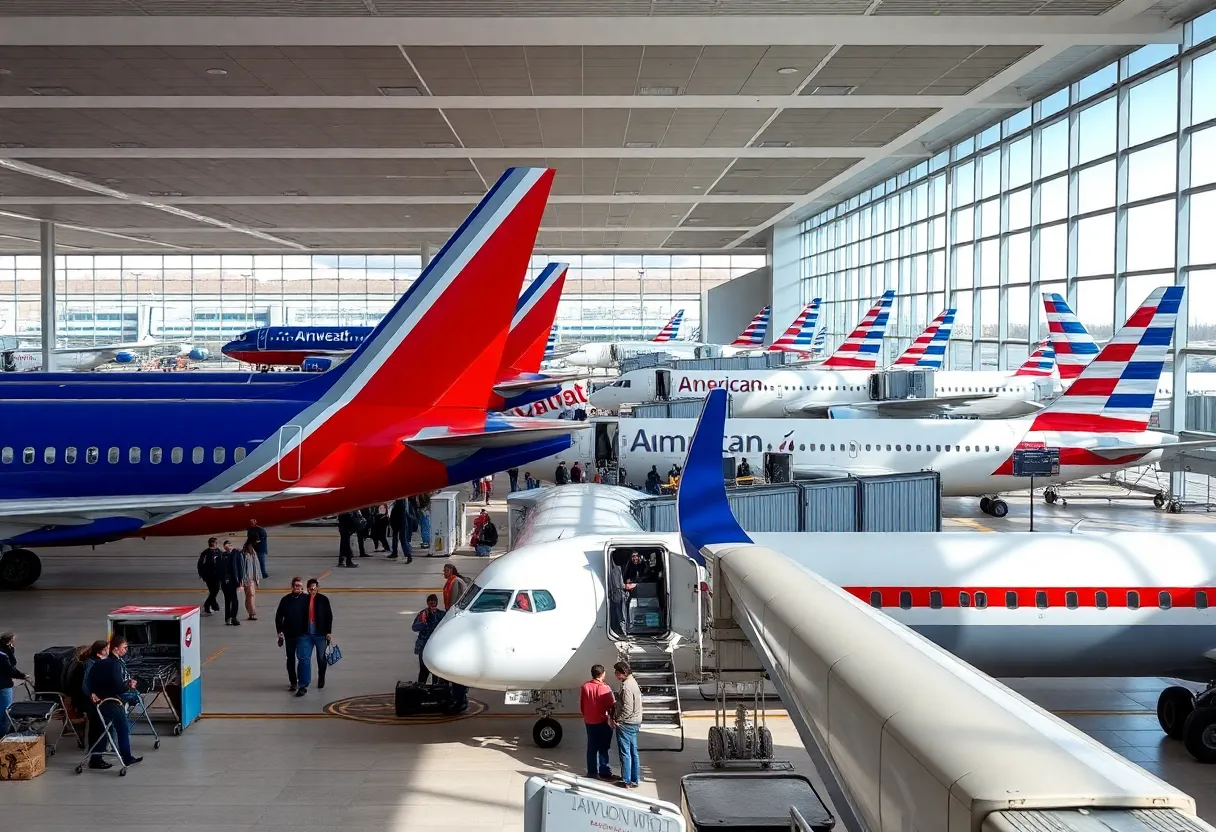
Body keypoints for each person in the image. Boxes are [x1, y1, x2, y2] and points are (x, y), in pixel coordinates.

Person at [84, 637, 142, 769]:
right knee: (122, 729)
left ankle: (95, 759)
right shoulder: (115, 664)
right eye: (124, 647)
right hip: (111, 702)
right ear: (116, 648)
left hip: (98, 703)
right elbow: (118, 687)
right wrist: (129, 685)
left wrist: (94, 694)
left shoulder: (99, 663)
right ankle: (126, 757)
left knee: (101, 730)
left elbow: (89, 681)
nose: (126, 650)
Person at [294, 578, 333, 697]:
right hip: (306, 633)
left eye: (314, 589)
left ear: (318, 588)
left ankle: (321, 676)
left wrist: (328, 632)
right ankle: (303, 685)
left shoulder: (323, 600)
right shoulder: (303, 600)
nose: (312, 591)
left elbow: (328, 616)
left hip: (320, 633)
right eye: (310, 589)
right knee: (304, 658)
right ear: (307, 589)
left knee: (321, 658)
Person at [76, 640, 109, 766]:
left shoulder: (94, 661)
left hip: (93, 700)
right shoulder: (92, 663)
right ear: (100, 650)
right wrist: (92, 694)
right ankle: (96, 759)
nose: (107, 650)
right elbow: (86, 683)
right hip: (92, 702)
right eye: (106, 648)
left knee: (96, 727)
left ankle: (96, 756)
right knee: (97, 727)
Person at [610, 661, 643, 789]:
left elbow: (628, 708)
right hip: (635, 721)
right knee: (633, 751)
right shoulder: (633, 682)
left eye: (616, 673)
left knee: (625, 752)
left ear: (622, 673)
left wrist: (618, 719)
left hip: (626, 723)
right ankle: (635, 779)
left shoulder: (626, 687)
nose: (615, 675)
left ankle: (626, 780)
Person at [580, 664, 616, 781]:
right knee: (603, 748)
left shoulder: (585, 686)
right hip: (602, 720)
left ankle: (591, 771)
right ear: (602, 674)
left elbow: (582, 703)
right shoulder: (605, 687)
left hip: (589, 721)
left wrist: (586, 715)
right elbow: (611, 704)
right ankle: (604, 771)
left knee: (591, 747)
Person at [275, 578, 309, 692]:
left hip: (302, 634)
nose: (297, 587)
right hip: (289, 634)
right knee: (290, 659)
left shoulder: (306, 599)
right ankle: (293, 682)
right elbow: (279, 616)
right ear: (292, 586)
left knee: (302, 658)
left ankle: (302, 680)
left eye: (299, 585)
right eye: (295, 585)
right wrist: (280, 631)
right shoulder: (285, 600)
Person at [0, 632, 30, 735]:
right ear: (10, 641)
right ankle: (3, 732)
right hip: (3, 685)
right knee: (5, 710)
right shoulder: (3, 655)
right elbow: (10, 668)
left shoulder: (3, 650)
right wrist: (23, 676)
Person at [412, 594, 445, 685]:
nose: (432, 606)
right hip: (424, 646)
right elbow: (415, 627)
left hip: (436, 647)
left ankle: (436, 688)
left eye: (434, 603)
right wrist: (425, 622)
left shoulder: (441, 614)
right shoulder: (423, 614)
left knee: (436, 671)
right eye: (431, 603)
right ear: (427, 603)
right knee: (424, 670)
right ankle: (421, 687)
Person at [219, 540, 245, 626]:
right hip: (226, 581)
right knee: (228, 600)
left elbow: (240, 567)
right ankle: (229, 618)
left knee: (233, 599)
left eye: (230, 544)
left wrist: (240, 579)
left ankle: (232, 617)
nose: (229, 546)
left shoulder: (235, 554)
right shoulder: (222, 556)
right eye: (227, 544)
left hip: (233, 580)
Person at [196, 537, 222, 617]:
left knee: (215, 590)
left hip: (217, 575)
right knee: (213, 590)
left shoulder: (219, 552)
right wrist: (201, 574)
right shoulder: (205, 553)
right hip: (208, 575)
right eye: (214, 543)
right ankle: (208, 605)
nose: (215, 544)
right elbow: (200, 564)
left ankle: (213, 604)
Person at [608, 558, 630, 637]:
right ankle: (622, 631)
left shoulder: (616, 569)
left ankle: (623, 631)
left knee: (620, 614)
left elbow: (620, 583)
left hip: (617, 594)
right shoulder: (616, 569)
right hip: (616, 594)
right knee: (619, 614)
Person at [240, 541, 260, 621]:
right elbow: (242, 568)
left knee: (251, 596)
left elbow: (256, 566)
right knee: (250, 595)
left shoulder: (253, 554)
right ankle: (252, 613)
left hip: (252, 578)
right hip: (247, 578)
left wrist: (257, 578)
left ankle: (251, 612)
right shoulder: (244, 555)